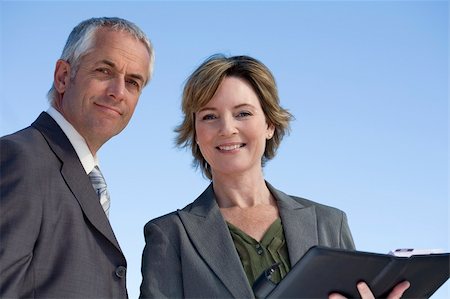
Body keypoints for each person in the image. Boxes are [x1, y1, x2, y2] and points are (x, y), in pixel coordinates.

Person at [139, 54, 410, 299]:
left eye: (242, 113)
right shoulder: (169, 235)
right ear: (196, 133)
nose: (227, 128)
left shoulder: (330, 224)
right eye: (210, 116)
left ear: (269, 124)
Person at [0, 17, 154, 298]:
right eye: (104, 71)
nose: (118, 92)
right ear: (62, 77)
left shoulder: (84, 177)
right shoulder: (19, 159)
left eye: (133, 82)